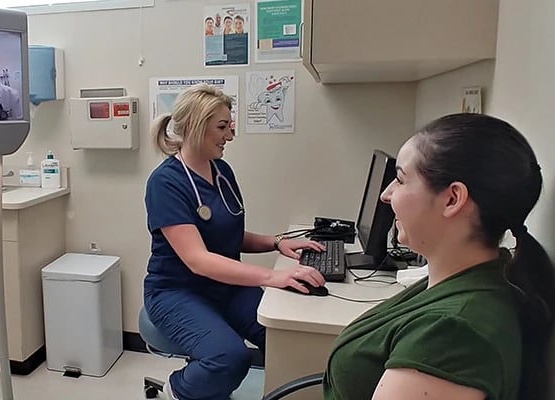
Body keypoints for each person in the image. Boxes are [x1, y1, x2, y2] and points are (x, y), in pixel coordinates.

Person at [322, 113, 555, 400]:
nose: (386, 194)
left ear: (452, 199)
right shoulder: (471, 274)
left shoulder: (452, 334)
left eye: (400, 179)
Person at [144, 83, 326, 400]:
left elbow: (225, 234)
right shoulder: (165, 183)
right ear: (196, 126)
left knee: (286, 333)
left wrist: (276, 242)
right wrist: (273, 277)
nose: (230, 135)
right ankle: (180, 388)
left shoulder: (222, 171)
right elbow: (198, 259)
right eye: (222, 127)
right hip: (176, 292)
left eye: (230, 125)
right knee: (230, 356)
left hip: (224, 288)